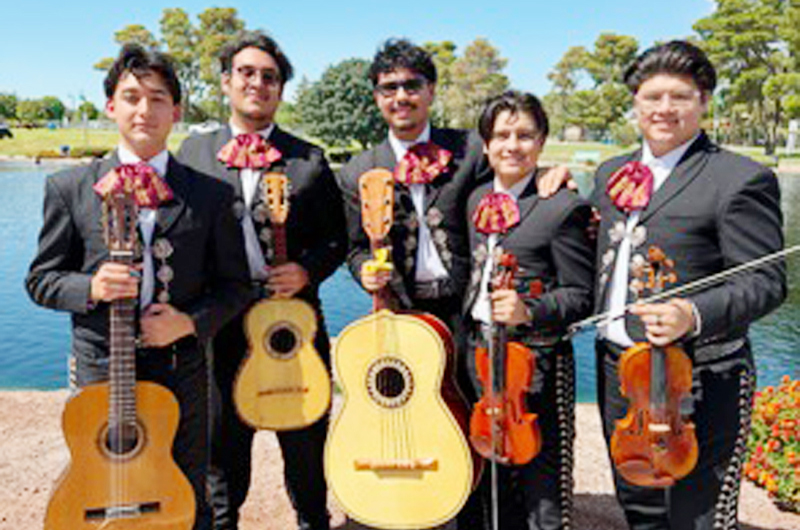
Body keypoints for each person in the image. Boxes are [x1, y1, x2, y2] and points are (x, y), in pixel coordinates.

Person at [538, 40, 786, 530]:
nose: (664, 109)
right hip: (620, 371)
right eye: (652, 98)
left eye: (680, 97)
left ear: (705, 102)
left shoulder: (740, 178)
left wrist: (692, 314)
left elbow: (766, 280)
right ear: (635, 104)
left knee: (699, 514)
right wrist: (557, 184)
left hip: (698, 375)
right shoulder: (611, 174)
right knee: (639, 506)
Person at [26, 43, 252, 530]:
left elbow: (236, 287)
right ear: (111, 107)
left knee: (186, 494)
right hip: (101, 367)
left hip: (181, 369)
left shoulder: (211, 194)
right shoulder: (69, 188)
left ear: (176, 111)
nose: (143, 110)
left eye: (156, 98)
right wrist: (90, 286)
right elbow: (41, 280)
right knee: (102, 487)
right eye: (130, 97)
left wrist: (189, 322)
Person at [177, 30, 346, 530]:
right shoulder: (193, 153)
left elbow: (338, 240)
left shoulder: (309, 159)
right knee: (223, 454)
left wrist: (307, 269)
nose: (258, 83)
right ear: (227, 83)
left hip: (295, 325)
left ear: (280, 90)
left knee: (306, 448)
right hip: (221, 329)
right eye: (246, 73)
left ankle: (312, 520)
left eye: (269, 77)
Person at [460, 91, 594, 530]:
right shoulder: (476, 197)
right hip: (479, 356)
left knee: (544, 483)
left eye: (524, 135)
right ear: (485, 145)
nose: (512, 145)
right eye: (501, 135)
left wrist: (529, 310)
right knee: (489, 472)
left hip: (538, 362)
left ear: (541, 142)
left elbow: (581, 295)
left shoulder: (562, 207)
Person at [337, 38, 488, 406]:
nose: (400, 96)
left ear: (431, 91)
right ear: (377, 98)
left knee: (475, 412)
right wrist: (363, 273)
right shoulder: (359, 171)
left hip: (467, 312)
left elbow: (515, 187)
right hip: (400, 311)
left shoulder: (472, 151)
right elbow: (354, 247)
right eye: (389, 88)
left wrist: (554, 176)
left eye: (412, 85)